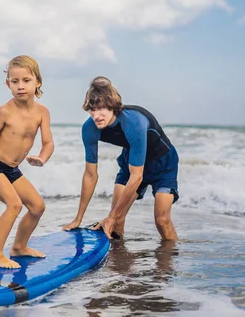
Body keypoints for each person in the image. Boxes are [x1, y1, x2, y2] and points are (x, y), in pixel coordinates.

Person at [63, 76, 179, 241]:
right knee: (117, 220)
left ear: (112, 106)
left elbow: (137, 176)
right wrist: (78, 218)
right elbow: (90, 175)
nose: (96, 115)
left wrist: (112, 216)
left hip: (163, 163)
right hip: (131, 160)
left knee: (162, 220)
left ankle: (170, 263)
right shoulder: (89, 129)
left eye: (101, 108)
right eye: (92, 109)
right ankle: (120, 261)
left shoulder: (134, 122)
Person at [0, 55, 54, 268]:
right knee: (14, 204)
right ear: (8, 83)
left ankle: (19, 247)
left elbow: (48, 143)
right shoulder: (5, 111)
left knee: (37, 207)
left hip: (12, 169)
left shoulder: (42, 113)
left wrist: (42, 158)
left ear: (37, 81)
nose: (21, 86)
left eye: (26, 80)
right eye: (15, 81)